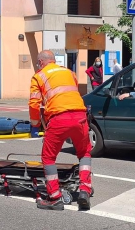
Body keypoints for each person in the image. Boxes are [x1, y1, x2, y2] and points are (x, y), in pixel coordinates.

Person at [29, 50, 93, 211]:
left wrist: (35, 125)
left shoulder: (39, 76)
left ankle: (55, 197)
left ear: (41, 62)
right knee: (84, 153)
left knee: (48, 158)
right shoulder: (70, 73)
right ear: (54, 60)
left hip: (59, 118)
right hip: (80, 116)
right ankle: (85, 189)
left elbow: (34, 104)